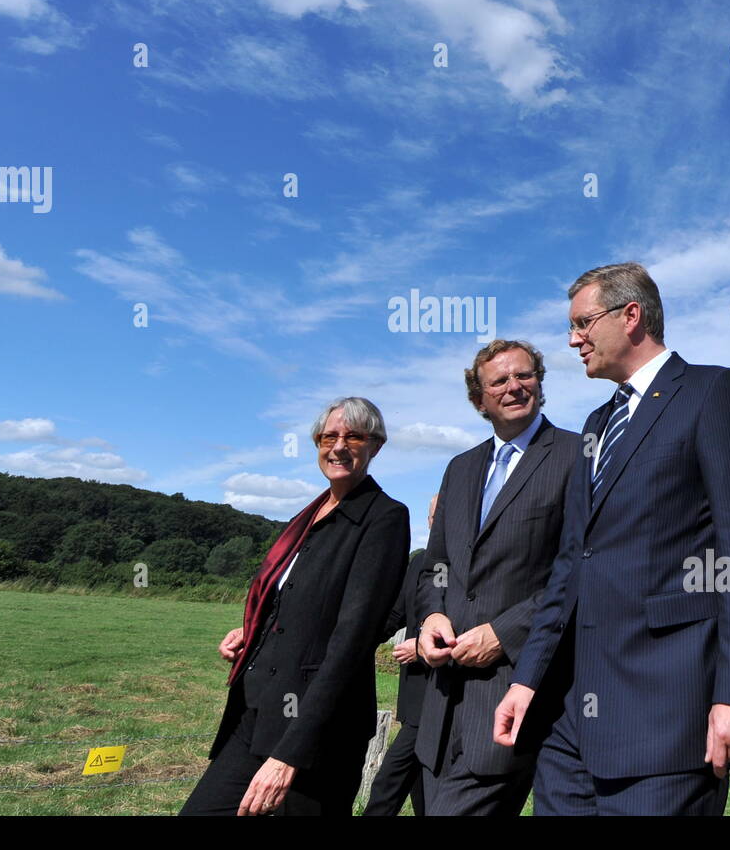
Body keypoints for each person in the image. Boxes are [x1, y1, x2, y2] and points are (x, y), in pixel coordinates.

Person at [494, 263, 730, 815]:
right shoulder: (597, 425)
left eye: (583, 323)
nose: (573, 339)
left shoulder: (711, 392)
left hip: (669, 723)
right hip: (570, 730)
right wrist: (527, 680)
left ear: (631, 316)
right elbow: (571, 564)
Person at [180, 397, 409, 816]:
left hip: (318, 729)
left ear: (375, 445)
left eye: (353, 436)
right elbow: (290, 606)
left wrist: (292, 755)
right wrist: (251, 634)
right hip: (255, 710)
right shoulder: (306, 517)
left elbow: (351, 640)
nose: (338, 446)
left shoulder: (385, 518)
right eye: (328, 436)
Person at [415, 340, 577, 815]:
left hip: (514, 694)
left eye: (524, 375)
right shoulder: (459, 468)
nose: (514, 387)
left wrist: (505, 635)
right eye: (499, 381)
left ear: (540, 382)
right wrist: (430, 618)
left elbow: (580, 568)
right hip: (441, 710)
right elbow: (435, 565)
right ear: (478, 399)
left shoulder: (576, 455)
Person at [362, 543, 432, 817]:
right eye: (435, 517)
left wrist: (422, 648)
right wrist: (358, 638)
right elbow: (396, 614)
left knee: (388, 781)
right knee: (420, 786)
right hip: (412, 695)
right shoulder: (420, 562)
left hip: (441, 695)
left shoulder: (468, 563)